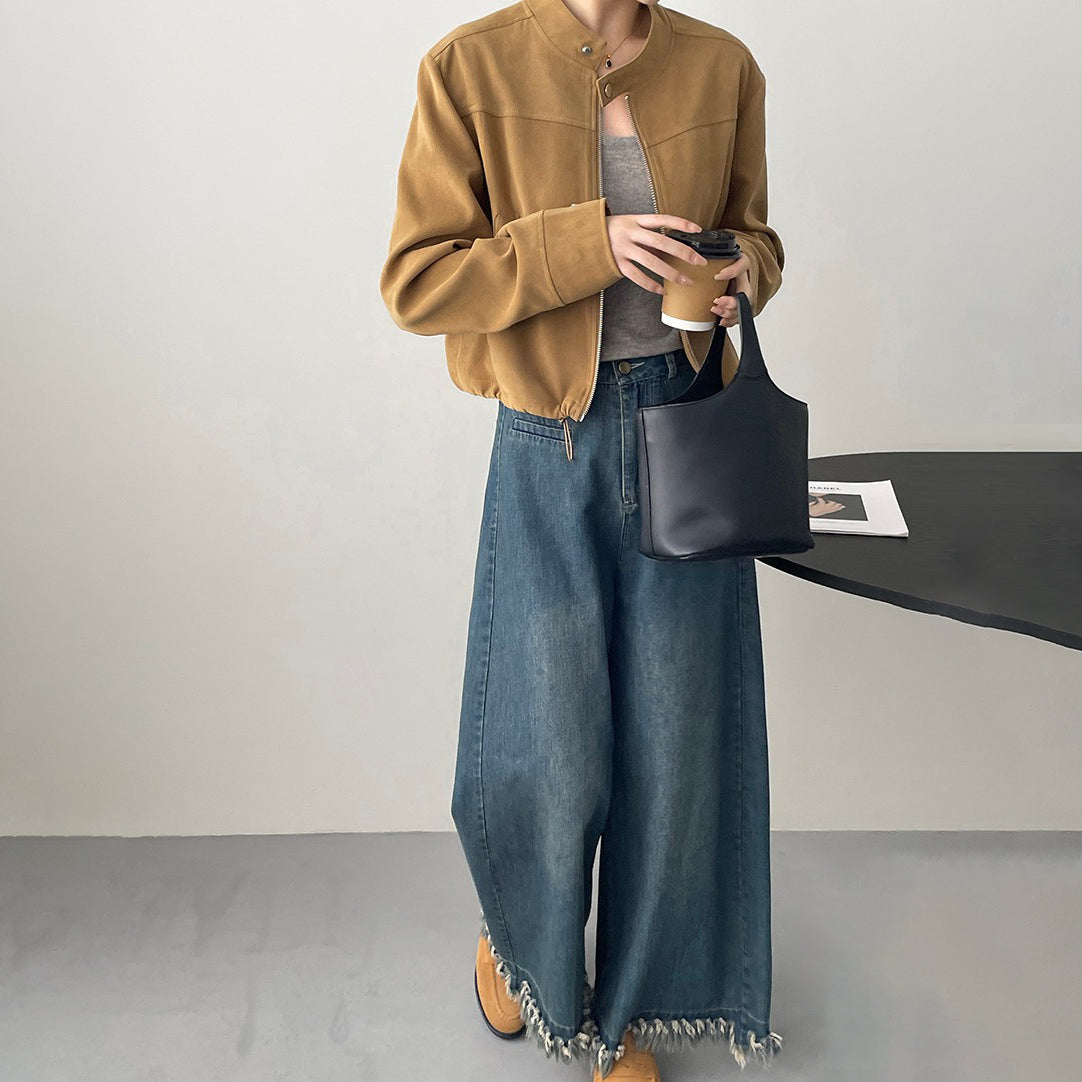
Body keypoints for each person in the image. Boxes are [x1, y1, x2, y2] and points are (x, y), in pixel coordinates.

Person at [379, 2, 786, 1079]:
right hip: (547, 438)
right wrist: (589, 244)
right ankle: (522, 950)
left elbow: (757, 237)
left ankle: (631, 1009)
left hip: (689, 431)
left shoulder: (721, 65)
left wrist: (741, 273)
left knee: (675, 738)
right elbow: (418, 279)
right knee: (545, 739)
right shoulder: (468, 68)